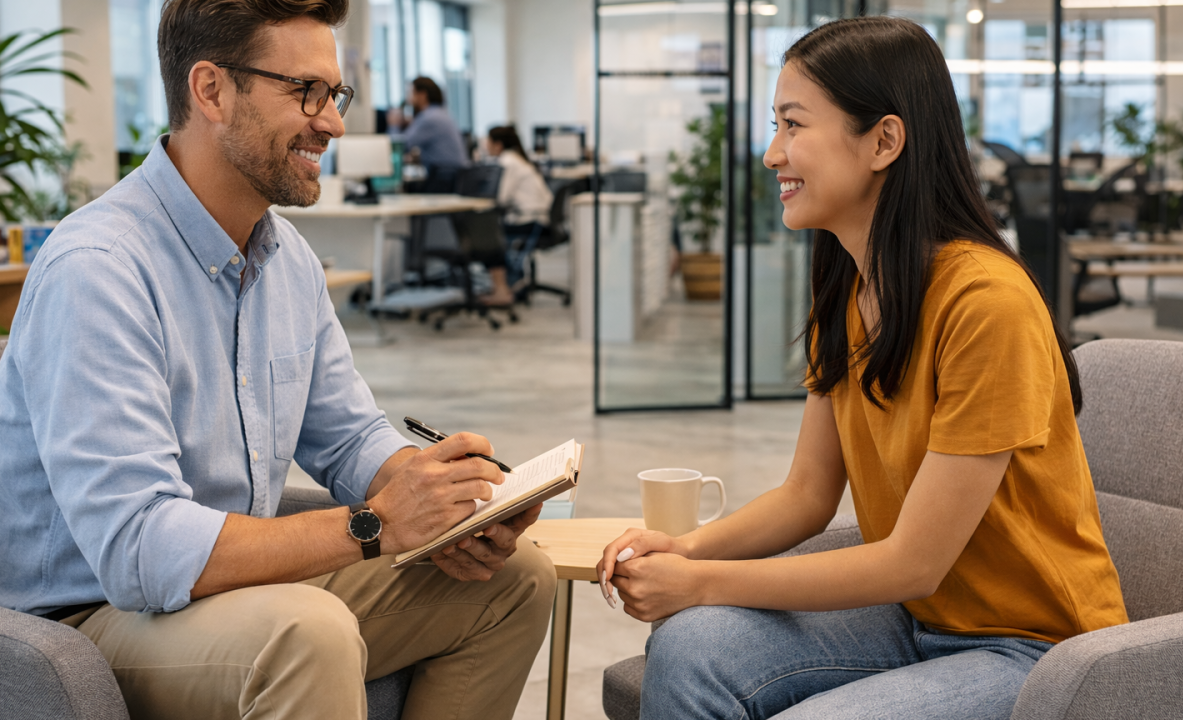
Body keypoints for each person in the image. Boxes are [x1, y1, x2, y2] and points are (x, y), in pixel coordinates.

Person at [0, 2, 555, 719]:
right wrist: (374, 524)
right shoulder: (98, 268)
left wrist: (446, 497)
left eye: (334, 95)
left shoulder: (287, 260)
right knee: (307, 634)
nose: (334, 123)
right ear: (211, 91)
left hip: (233, 595)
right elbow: (139, 549)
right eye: (304, 92)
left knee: (516, 578)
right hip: (85, 618)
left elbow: (348, 436)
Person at [597, 16, 1128, 720]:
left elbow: (914, 561)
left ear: (883, 140)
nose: (771, 154)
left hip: (1034, 646)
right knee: (691, 646)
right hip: (918, 617)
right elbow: (808, 495)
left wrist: (698, 581)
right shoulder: (850, 287)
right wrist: (684, 550)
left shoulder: (987, 303)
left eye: (792, 125)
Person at [485, 125, 554, 301]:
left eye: (488, 142)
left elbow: (501, 197)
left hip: (529, 221)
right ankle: (512, 282)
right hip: (540, 219)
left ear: (498, 145)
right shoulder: (519, 160)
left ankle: (502, 290)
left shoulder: (507, 162)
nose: (485, 147)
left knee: (488, 235)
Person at [387, 76, 470, 172]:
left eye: (411, 93)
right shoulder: (440, 112)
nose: (408, 99)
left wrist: (393, 124)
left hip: (445, 176)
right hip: (455, 176)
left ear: (422, 95)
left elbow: (400, 146)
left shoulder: (428, 118)